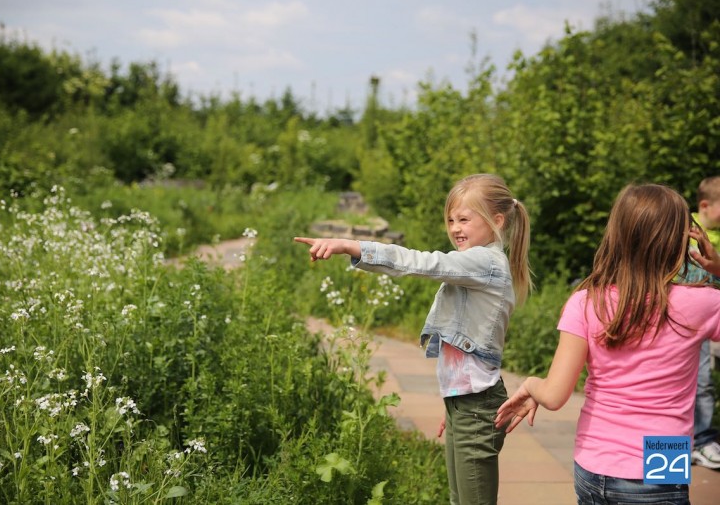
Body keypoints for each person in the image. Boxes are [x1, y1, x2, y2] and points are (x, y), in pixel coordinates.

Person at [295, 173, 532, 505]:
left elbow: (423, 263)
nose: (455, 228)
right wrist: (454, 403)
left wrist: (353, 247)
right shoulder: (478, 264)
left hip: (476, 408)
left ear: (496, 220)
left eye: (464, 218)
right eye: (451, 219)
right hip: (466, 405)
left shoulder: (485, 263)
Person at [494, 183, 720, 505]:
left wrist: (531, 384)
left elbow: (555, 396)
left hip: (593, 463)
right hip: (662, 462)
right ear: (679, 239)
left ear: (617, 234)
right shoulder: (702, 303)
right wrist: (717, 269)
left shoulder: (586, 302)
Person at [683, 176, 720, 470]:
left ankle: (701, 442)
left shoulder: (590, 302)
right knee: (666, 491)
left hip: (601, 458)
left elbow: (555, 394)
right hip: (662, 443)